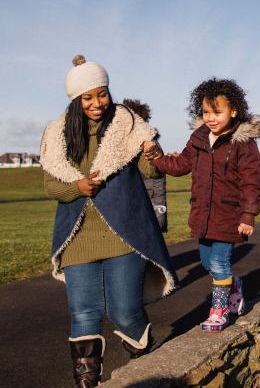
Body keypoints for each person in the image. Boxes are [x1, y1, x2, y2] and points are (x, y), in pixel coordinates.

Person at [40, 56, 178, 388]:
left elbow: (152, 172)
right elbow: (51, 186)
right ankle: (86, 379)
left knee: (124, 311)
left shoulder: (128, 125)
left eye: (101, 94)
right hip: (78, 238)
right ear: (76, 99)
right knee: (84, 313)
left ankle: (140, 343)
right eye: (87, 97)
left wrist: (154, 156)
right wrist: (78, 187)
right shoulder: (58, 133)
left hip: (124, 235)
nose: (96, 103)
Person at [145, 77, 260, 333]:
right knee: (206, 263)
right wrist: (157, 158)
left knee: (220, 264)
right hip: (202, 214)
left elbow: (251, 182)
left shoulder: (244, 143)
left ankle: (218, 311)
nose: (211, 118)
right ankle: (234, 285)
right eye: (206, 112)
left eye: (217, 112)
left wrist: (248, 215)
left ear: (234, 111)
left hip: (229, 215)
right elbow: (179, 166)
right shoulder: (198, 138)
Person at [122, 99, 168, 232]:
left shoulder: (151, 145)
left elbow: (158, 179)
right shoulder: (121, 144)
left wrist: (160, 207)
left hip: (148, 203)